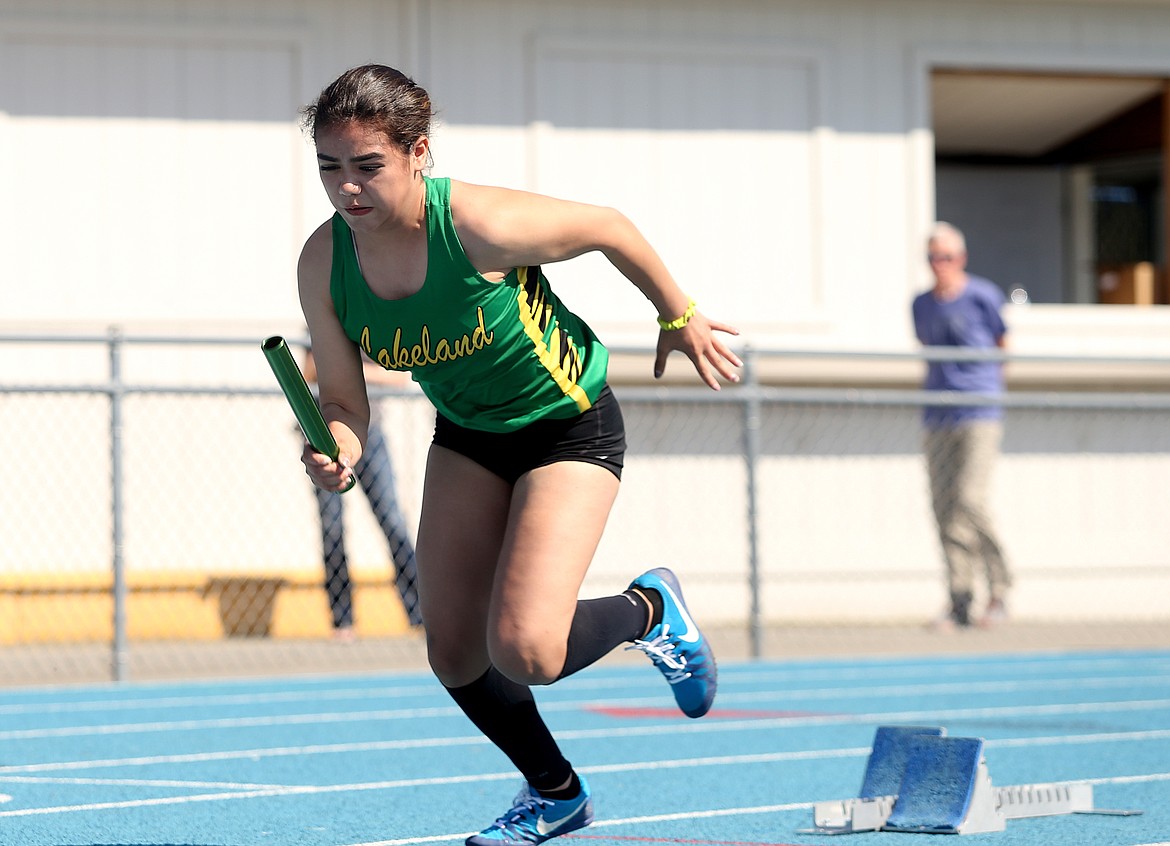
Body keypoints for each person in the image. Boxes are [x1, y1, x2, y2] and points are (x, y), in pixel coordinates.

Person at [295, 65, 742, 845]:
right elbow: (343, 401)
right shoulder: (322, 262)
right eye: (330, 167)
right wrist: (336, 448)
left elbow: (609, 225)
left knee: (528, 649)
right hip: (469, 434)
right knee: (455, 649)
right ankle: (555, 794)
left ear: (417, 153)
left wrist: (679, 313)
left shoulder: (477, 224)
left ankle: (650, 610)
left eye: (367, 166)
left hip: (565, 424)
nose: (348, 189)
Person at [911, 221, 1012, 630]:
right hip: (938, 414)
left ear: (962, 259)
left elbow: (1003, 345)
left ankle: (1000, 587)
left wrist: (987, 389)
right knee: (944, 509)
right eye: (934, 257)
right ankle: (959, 597)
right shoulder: (920, 304)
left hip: (978, 413)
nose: (941, 265)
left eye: (947, 257)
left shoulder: (983, 295)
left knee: (970, 499)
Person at [303, 349, 423, 639]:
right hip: (326, 439)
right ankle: (342, 620)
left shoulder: (375, 313)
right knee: (332, 529)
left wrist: (348, 372)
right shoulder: (323, 311)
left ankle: (420, 614)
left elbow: (400, 377)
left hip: (371, 435)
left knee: (392, 521)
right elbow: (310, 370)